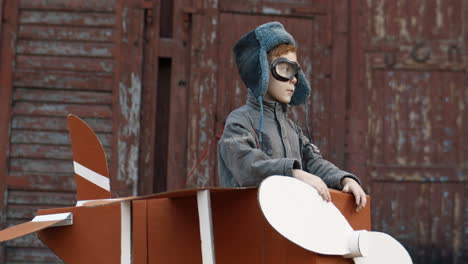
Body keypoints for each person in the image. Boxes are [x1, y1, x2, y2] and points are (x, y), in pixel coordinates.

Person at [217, 22, 367, 211]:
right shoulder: (239, 122)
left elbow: (313, 162)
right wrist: (293, 172)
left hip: (288, 223)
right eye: (284, 69)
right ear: (261, 70)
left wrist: (344, 178)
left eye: (295, 71)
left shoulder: (292, 129)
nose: (294, 79)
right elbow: (246, 166)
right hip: (250, 222)